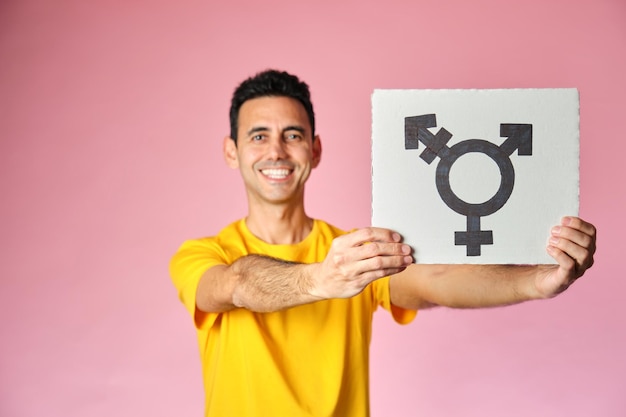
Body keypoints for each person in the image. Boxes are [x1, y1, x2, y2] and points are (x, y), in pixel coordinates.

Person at [170, 69, 596, 417]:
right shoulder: (204, 256)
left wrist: (538, 281)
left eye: (293, 135)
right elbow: (237, 285)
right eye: (258, 136)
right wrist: (320, 278)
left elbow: (440, 277)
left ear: (315, 151)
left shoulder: (353, 253)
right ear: (232, 151)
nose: (277, 151)